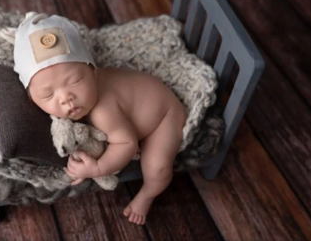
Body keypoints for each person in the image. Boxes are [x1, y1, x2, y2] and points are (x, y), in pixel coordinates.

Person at [14, 12, 187, 226]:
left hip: (163, 115)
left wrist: (97, 168)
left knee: (157, 167)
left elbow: (127, 143)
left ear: (93, 72)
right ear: (32, 99)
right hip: (140, 97)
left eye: (76, 80)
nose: (66, 98)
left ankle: (147, 195)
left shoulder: (102, 111)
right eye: (48, 95)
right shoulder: (76, 99)